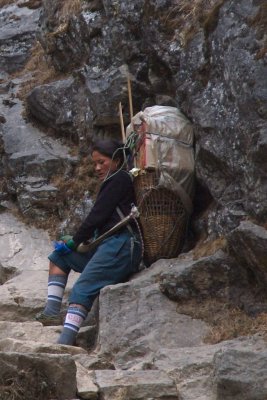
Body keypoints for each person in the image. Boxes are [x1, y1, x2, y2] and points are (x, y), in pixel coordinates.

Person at [35, 139, 142, 346]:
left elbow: (97, 217)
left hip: (121, 246)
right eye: (95, 163)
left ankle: (65, 341)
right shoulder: (115, 180)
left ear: (117, 160)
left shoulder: (120, 179)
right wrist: (72, 244)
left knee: (83, 287)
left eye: (102, 162)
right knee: (59, 257)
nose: (97, 168)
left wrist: (74, 241)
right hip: (108, 244)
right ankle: (51, 313)